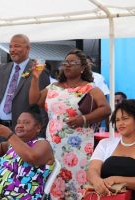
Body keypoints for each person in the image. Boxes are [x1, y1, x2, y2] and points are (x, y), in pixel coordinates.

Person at [29, 48, 111, 199]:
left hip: (77, 148)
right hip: (52, 146)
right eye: (65, 62)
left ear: (82, 68)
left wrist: (83, 119)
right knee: (54, 185)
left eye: (72, 62)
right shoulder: (52, 87)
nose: (67, 65)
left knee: (76, 188)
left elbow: (106, 109)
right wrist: (35, 78)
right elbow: (33, 100)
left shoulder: (90, 88)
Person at [0, 105, 54, 199]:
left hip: (23, 196)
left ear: (38, 127)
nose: (20, 125)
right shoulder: (13, 145)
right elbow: (1, 147)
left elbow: (32, 157)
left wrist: (9, 135)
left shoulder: (42, 144)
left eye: (26, 123)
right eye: (18, 122)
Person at [87, 99, 135, 199]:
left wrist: (117, 179)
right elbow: (92, 170)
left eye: (125, 118)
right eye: (117, 120)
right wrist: (97, 181)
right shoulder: (105, 144)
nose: (120, 123)